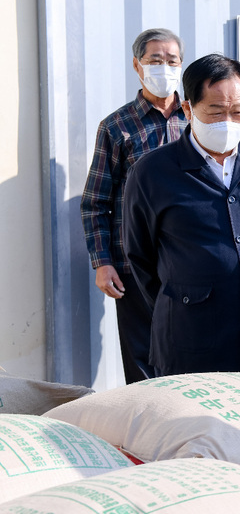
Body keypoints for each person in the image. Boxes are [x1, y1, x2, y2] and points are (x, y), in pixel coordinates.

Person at [124, 54, 240, 376]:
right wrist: (188, 296)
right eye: (216, 111)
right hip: (190, 341)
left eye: (237, 111)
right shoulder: (152, 172)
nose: (228, 122)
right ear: (189, 109)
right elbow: (140, 257)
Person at [80, 28, 186, 383]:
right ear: (138, 66)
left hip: (190, 260)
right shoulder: (116, 126)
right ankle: (147, 432)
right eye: (155, 60)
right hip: (133, 263)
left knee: (190, 351)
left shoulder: (197, 119)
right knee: (142, 356)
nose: (164, 67)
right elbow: (96, 202)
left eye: (172, 60)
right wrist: (102, 262)